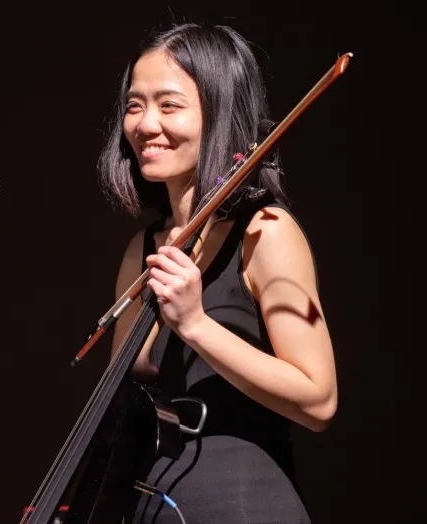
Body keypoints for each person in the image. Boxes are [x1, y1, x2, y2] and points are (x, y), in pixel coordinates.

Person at [97, 22, 338, 523]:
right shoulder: (141, 249)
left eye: (169, 105)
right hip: (155, 506)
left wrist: (195, 324)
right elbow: (131, 396)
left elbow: (319, 399)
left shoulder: (267, 232)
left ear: (219, 113)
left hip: (242, 505)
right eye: (135, 105)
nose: (144, 124)